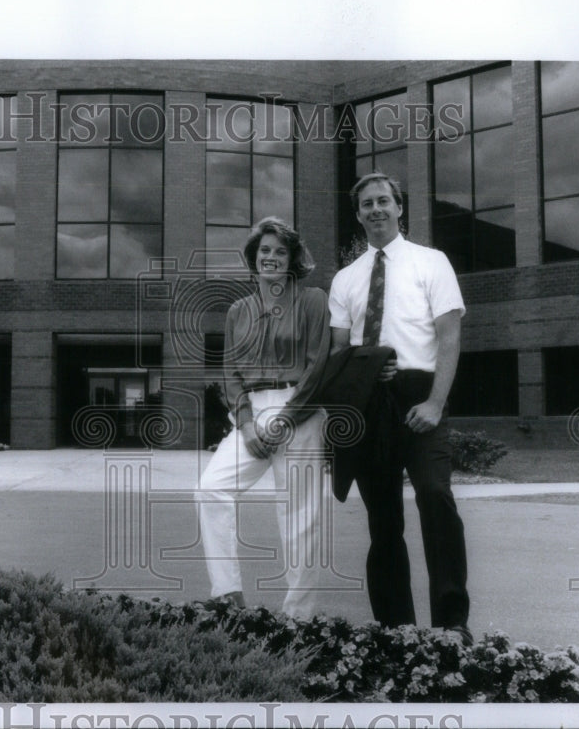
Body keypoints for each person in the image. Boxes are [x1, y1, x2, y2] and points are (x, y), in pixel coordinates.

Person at [327, 172, 472, 643]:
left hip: (421, 394)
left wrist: (435, 401)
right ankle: (396, 629)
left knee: (435, 496)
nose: (376, 209)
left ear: (399, 206)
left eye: (383, 201)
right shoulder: (346, 279)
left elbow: (449, 338)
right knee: (383, 518)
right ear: (358, 214)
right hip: (370, 402)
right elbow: (338, 354)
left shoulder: (432, 263)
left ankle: (452, 622)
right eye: (366, 203)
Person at [198, 217, 331, 619]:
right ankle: (228, 594)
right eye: (264, 251)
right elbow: (230, 373)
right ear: (253, 259)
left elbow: (318, 366)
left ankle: (298, 619)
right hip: (252, 415)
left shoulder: (312, 301)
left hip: (300, 410)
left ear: (292, 259)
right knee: (211, 488)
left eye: (279, 250)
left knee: (300, 516)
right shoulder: (239, 311)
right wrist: (246, 423)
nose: (271, 257)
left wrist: (287, 418)